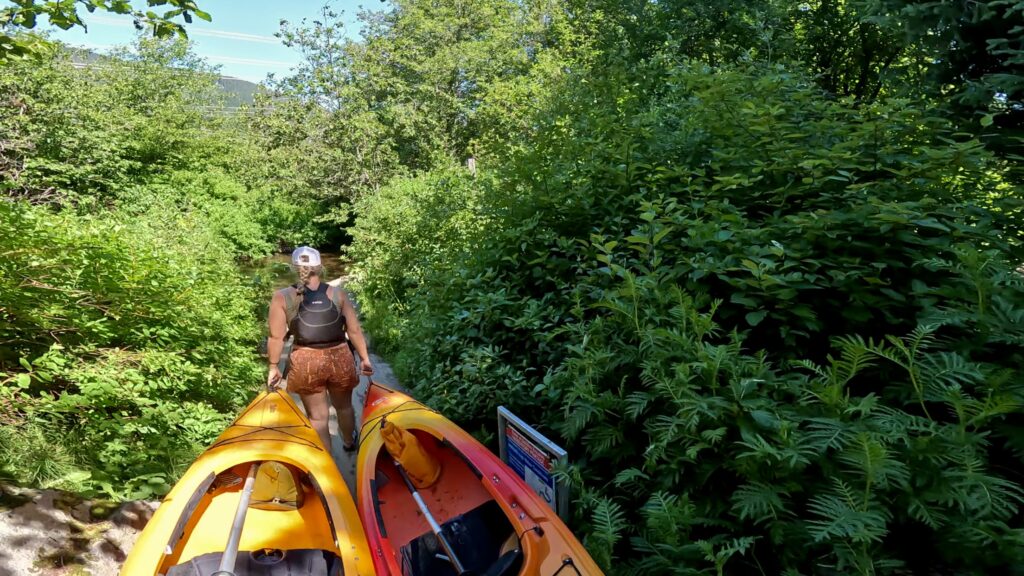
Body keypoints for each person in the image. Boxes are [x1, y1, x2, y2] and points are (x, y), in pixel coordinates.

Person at [265, 246, 373, 452]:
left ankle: (327, 467)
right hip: (340, 356)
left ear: (295, 268)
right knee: (344, 407)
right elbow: (355, 330)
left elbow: (276, 337)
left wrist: (273, 366)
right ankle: (349, 443)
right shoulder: (338, 293)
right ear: (320, 267)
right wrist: (365, 358)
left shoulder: (282, 297)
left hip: (305, 361)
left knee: (318, 417)